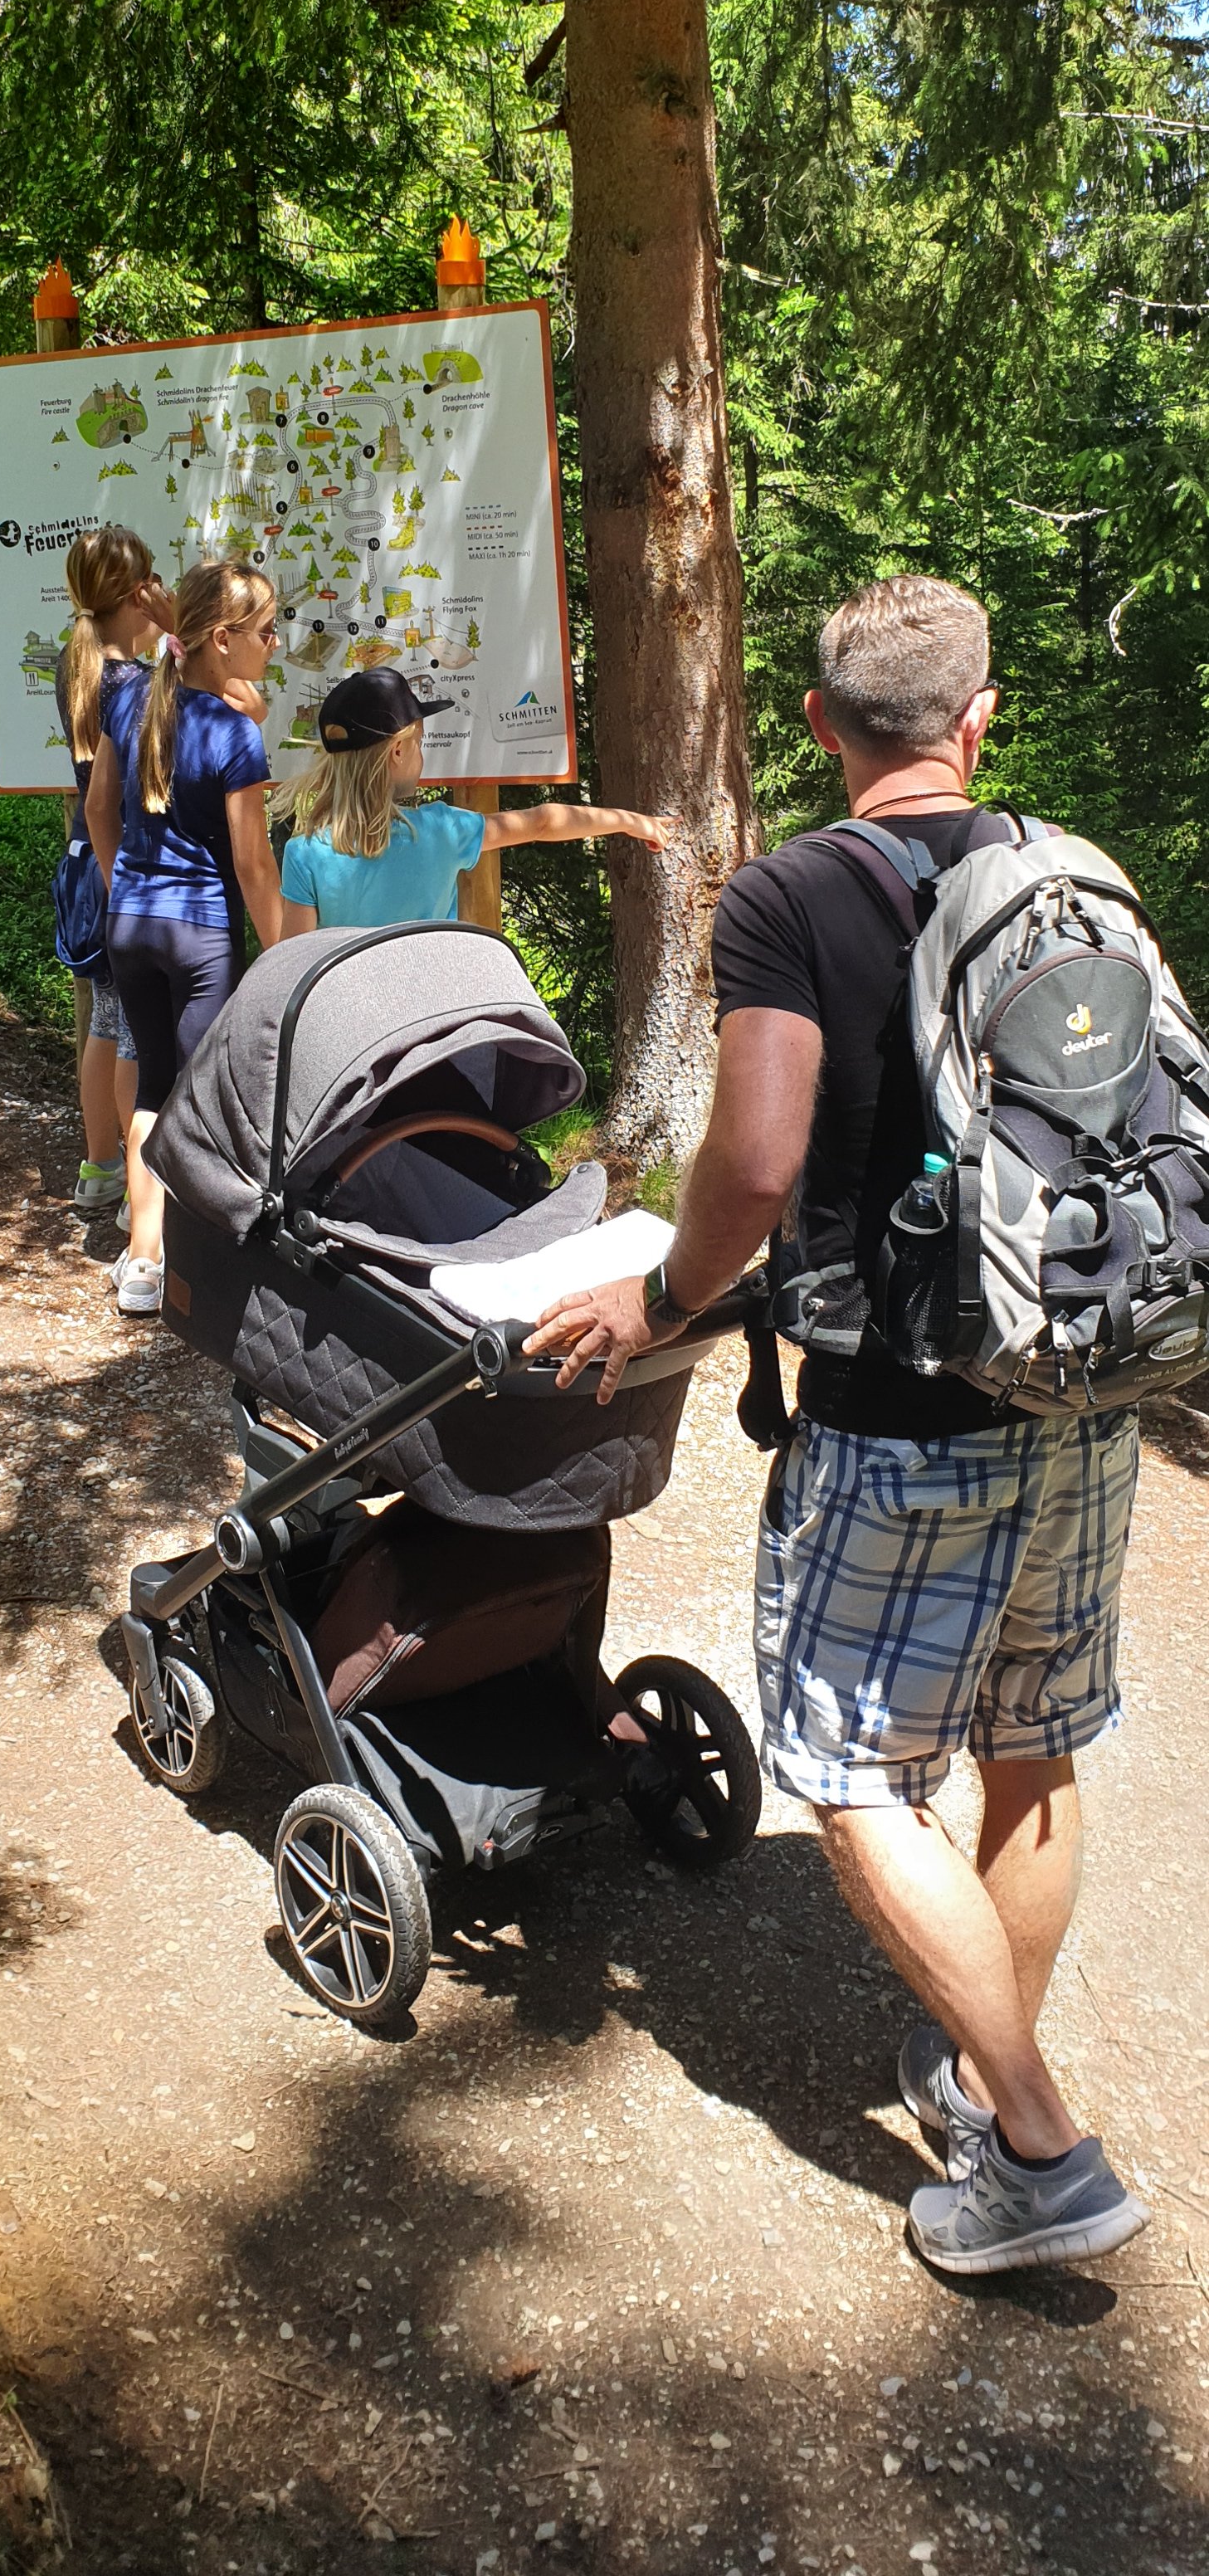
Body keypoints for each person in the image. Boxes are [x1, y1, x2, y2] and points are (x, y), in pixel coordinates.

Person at [525, 573, 1148, 2279]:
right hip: (1076, 1380)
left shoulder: (791, 894)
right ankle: (967, 2065)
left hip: (891, 1410)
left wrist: (658, 1303)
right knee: (1031, 1746)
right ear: (979, 715)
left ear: (817, 725)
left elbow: (754, 1158)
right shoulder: (1071, 871)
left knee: (848, 1770)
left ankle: (1030, 2141)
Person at [86, 559, 284, 1315]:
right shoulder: (235, 736)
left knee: (155, 1086)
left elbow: (101, 809)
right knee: (197, 1098)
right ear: (224, 640)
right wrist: (288, 955)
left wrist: (124, 888)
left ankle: (141, 1259)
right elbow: (253, 863)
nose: (274, 644)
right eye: (266, 632)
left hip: (130, 924)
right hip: (201, 935)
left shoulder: (131, 698)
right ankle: (199, 1263)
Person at [277, 666, 676, 935]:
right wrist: (630, 822)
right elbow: (542, 821)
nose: (422, 753)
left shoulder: (304, 854)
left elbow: (296, 968)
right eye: (419, 742)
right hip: (430, 1033)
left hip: (350, 1041)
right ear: (397, 753)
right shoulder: (441, 830)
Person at [56, 526, 174, 1228]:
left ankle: (99, 1169)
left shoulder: (79, 665)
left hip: (83, 866)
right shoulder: (130, 682)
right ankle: (141, 1195)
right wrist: (176, 632)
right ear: (139, 593)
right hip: (123, 868)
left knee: (106, 1020)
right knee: (137, 1036)